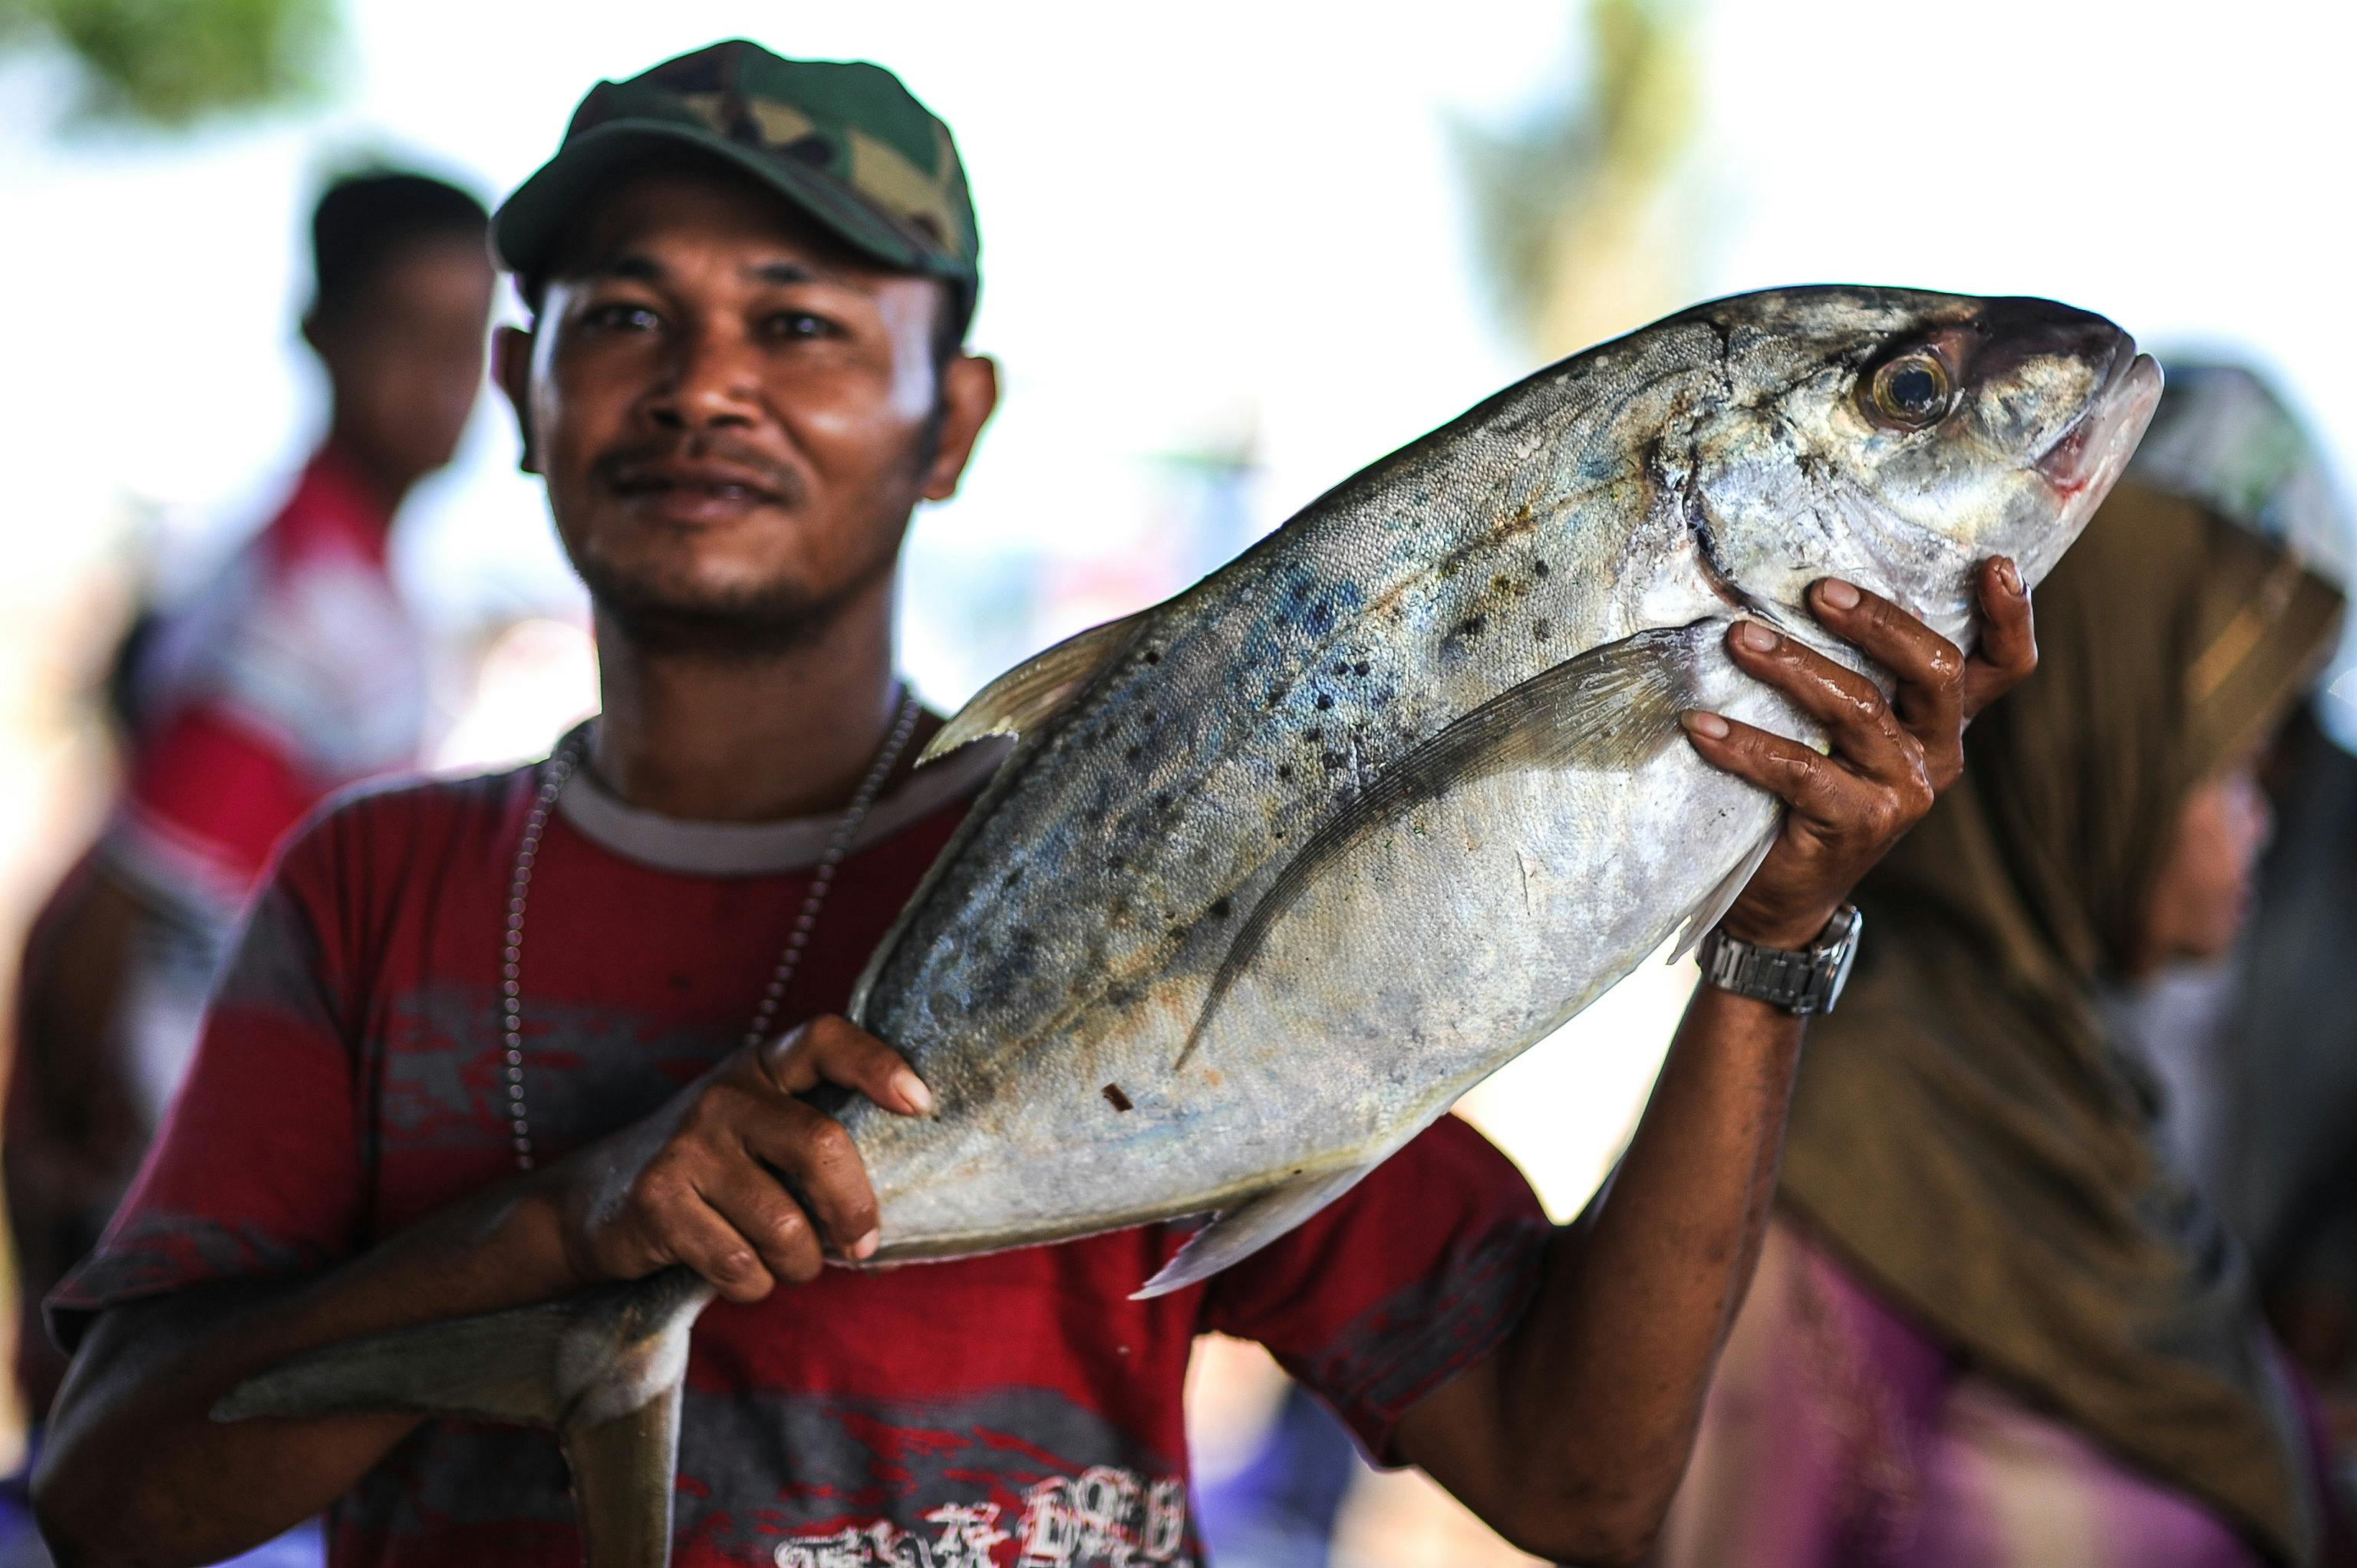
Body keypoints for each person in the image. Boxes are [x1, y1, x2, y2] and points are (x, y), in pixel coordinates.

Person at [28, 42, 2037, 1568]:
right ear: (523, 387)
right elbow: (110, 1488)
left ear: (953, 417)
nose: (706, 379)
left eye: (803, 322)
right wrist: (564, 1231)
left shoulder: (1179, 848)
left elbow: (1582, 1472)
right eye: (626, 316)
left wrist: (1775, 938)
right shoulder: (383, 885)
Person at [1651, 478, 2351, 1566]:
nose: (2261, 826)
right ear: (2098, 748)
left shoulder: (2079, 1103)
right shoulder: (1872, 1118)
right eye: (2233, 771)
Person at [1, 167, 493, 1541]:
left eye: (467, 342)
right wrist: (70, 1157)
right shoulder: (305, 600)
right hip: (164, 1148)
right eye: (405, 331)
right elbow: (124, 893)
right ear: (320, 334)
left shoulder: (342, 570)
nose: (438, 380)